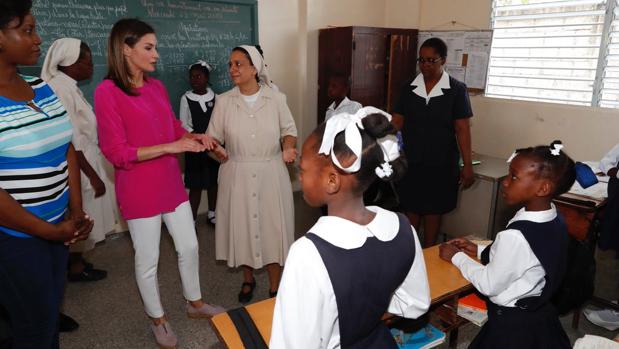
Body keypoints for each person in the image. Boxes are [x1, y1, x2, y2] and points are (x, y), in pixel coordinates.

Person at [94, 18, 225, 348]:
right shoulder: (106, 92)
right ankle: (158, 318)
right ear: (126, 49)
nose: (156, 55)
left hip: (169, 183)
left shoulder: (156, 87)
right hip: (138, 190)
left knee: (190, 245)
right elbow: (116, 152)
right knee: (148, 259)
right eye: (148, 48)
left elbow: (171, 126)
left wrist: (195, 137)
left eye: (155, 47)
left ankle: (194, 303)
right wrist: (172, 146)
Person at [270, 107, 430, 348]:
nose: (300, 177)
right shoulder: (402, 226)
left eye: (303, 169)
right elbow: (415, 303)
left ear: (332, 180)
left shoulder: (308, 254)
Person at [0, 1, 94, 348]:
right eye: (27, 30)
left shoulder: (41, 87)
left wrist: (76, 210)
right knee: (34, 326)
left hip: (56, 231)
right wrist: (49, 231)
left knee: (47, 316)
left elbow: (66, 147)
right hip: (16, 239)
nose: (38, 39)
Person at [439, 141, 576, 349]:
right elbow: (527, 258)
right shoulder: (553, 216)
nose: (505, 182)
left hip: (512, 323)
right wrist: (480, 250)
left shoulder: (515, 236)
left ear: (543, 188)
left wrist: (456, 257)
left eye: (514, 177)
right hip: (537, 309)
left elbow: (489, 284)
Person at [206, 45, 297, 303]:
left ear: (254, 68)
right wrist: (217, 152)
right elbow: (212, 139)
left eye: (238, 64)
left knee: (272, 228)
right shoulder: (223, 102)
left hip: (271, 172)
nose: (232, 69)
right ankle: (248, 279)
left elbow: (289, 130)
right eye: (230, 64)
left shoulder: (276, 99)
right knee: (242, 225)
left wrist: (288, 147)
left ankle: (275, 285)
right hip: (237, 174)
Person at [42, 38, 115, 282]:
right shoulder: (60, 89)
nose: (92, 66)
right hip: (80, 164)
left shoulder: (69, 85)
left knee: (84, 214)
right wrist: (93, 176)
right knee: (79, 214)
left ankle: (77, 262)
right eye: (87, 61)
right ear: (71, 62)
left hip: (86, 158)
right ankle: (73, 267)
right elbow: (70, 139)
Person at [392, 37, 474, 247]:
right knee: (411, 206)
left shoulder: (456, 90)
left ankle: (429, 254)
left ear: (443, 60)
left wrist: (467, 165)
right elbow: (397, 123)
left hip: (441, 162)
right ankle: (409, 251)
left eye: (431, 60)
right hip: (412, 161)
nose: (425, 65)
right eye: (422, 60)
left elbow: (462, 129)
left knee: (433, 210)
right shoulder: (408, 88)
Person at [179, 60, 218, 225]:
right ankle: (192, 219)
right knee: (195, 185)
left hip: (213, 146)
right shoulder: (186, 98)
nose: (194, 79)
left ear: (206, 77)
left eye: (198, 76)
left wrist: (212, 139)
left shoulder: (215, 97)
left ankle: (212, 213)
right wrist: (198, 137)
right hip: (195, 147)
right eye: (192, 76)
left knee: (213, 183)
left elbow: (218, 122)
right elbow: (184, 124)